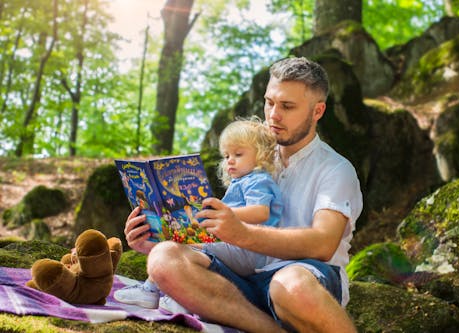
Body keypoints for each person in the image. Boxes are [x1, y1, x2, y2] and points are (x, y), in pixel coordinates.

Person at [124, 57, 362, 333]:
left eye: (287, 106)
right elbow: (222, 237)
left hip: (305, 280)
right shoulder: (251, 156)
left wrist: (240, 232)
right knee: (163, 258)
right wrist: (156, 236)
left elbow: (323, 243)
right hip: (241, 282)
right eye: (270, 102)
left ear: (317, 111)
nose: (273, 114)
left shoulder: (336, 169)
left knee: (291, 285)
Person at [114, 117, 283, 310]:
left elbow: (261, 212)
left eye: (238, 154)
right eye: (226, 156)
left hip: (247, 251)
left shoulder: (258, 180)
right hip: (236, 247)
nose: (230, 161)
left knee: (184, 248)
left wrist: (223, 213)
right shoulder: (243, 181)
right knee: (178, 246)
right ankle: (168, 293)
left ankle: (153, 291)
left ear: (261, 155)